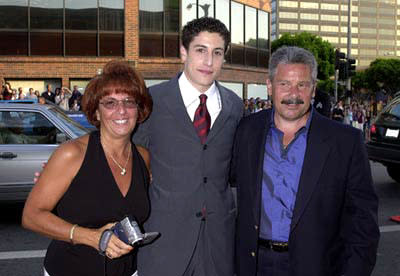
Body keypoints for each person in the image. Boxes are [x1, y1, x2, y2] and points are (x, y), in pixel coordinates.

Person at [231, 46, 379, 276]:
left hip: (318, 266)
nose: (293, 94)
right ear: (269, 86)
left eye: (302, 84)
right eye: (284, 84)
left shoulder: (345, 141)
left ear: (313, 89)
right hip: (254, 265)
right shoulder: (247, 131)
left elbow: (363, 224)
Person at [133, 17, 243, 276]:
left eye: (217, 53)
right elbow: (121, 156)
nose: (209, 62)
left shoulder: (235, 106)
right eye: (200, 50)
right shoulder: (151, 101)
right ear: (183, 51)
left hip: (218, 243)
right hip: (164, 242)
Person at [22, 60, 153, 276]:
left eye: (129, 102)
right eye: (109, 103)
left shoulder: (143, 157)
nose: (121, 111)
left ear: (139, 111)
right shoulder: (72, 154)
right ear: (97, 112)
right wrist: (93, 237)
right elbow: (31, 216)